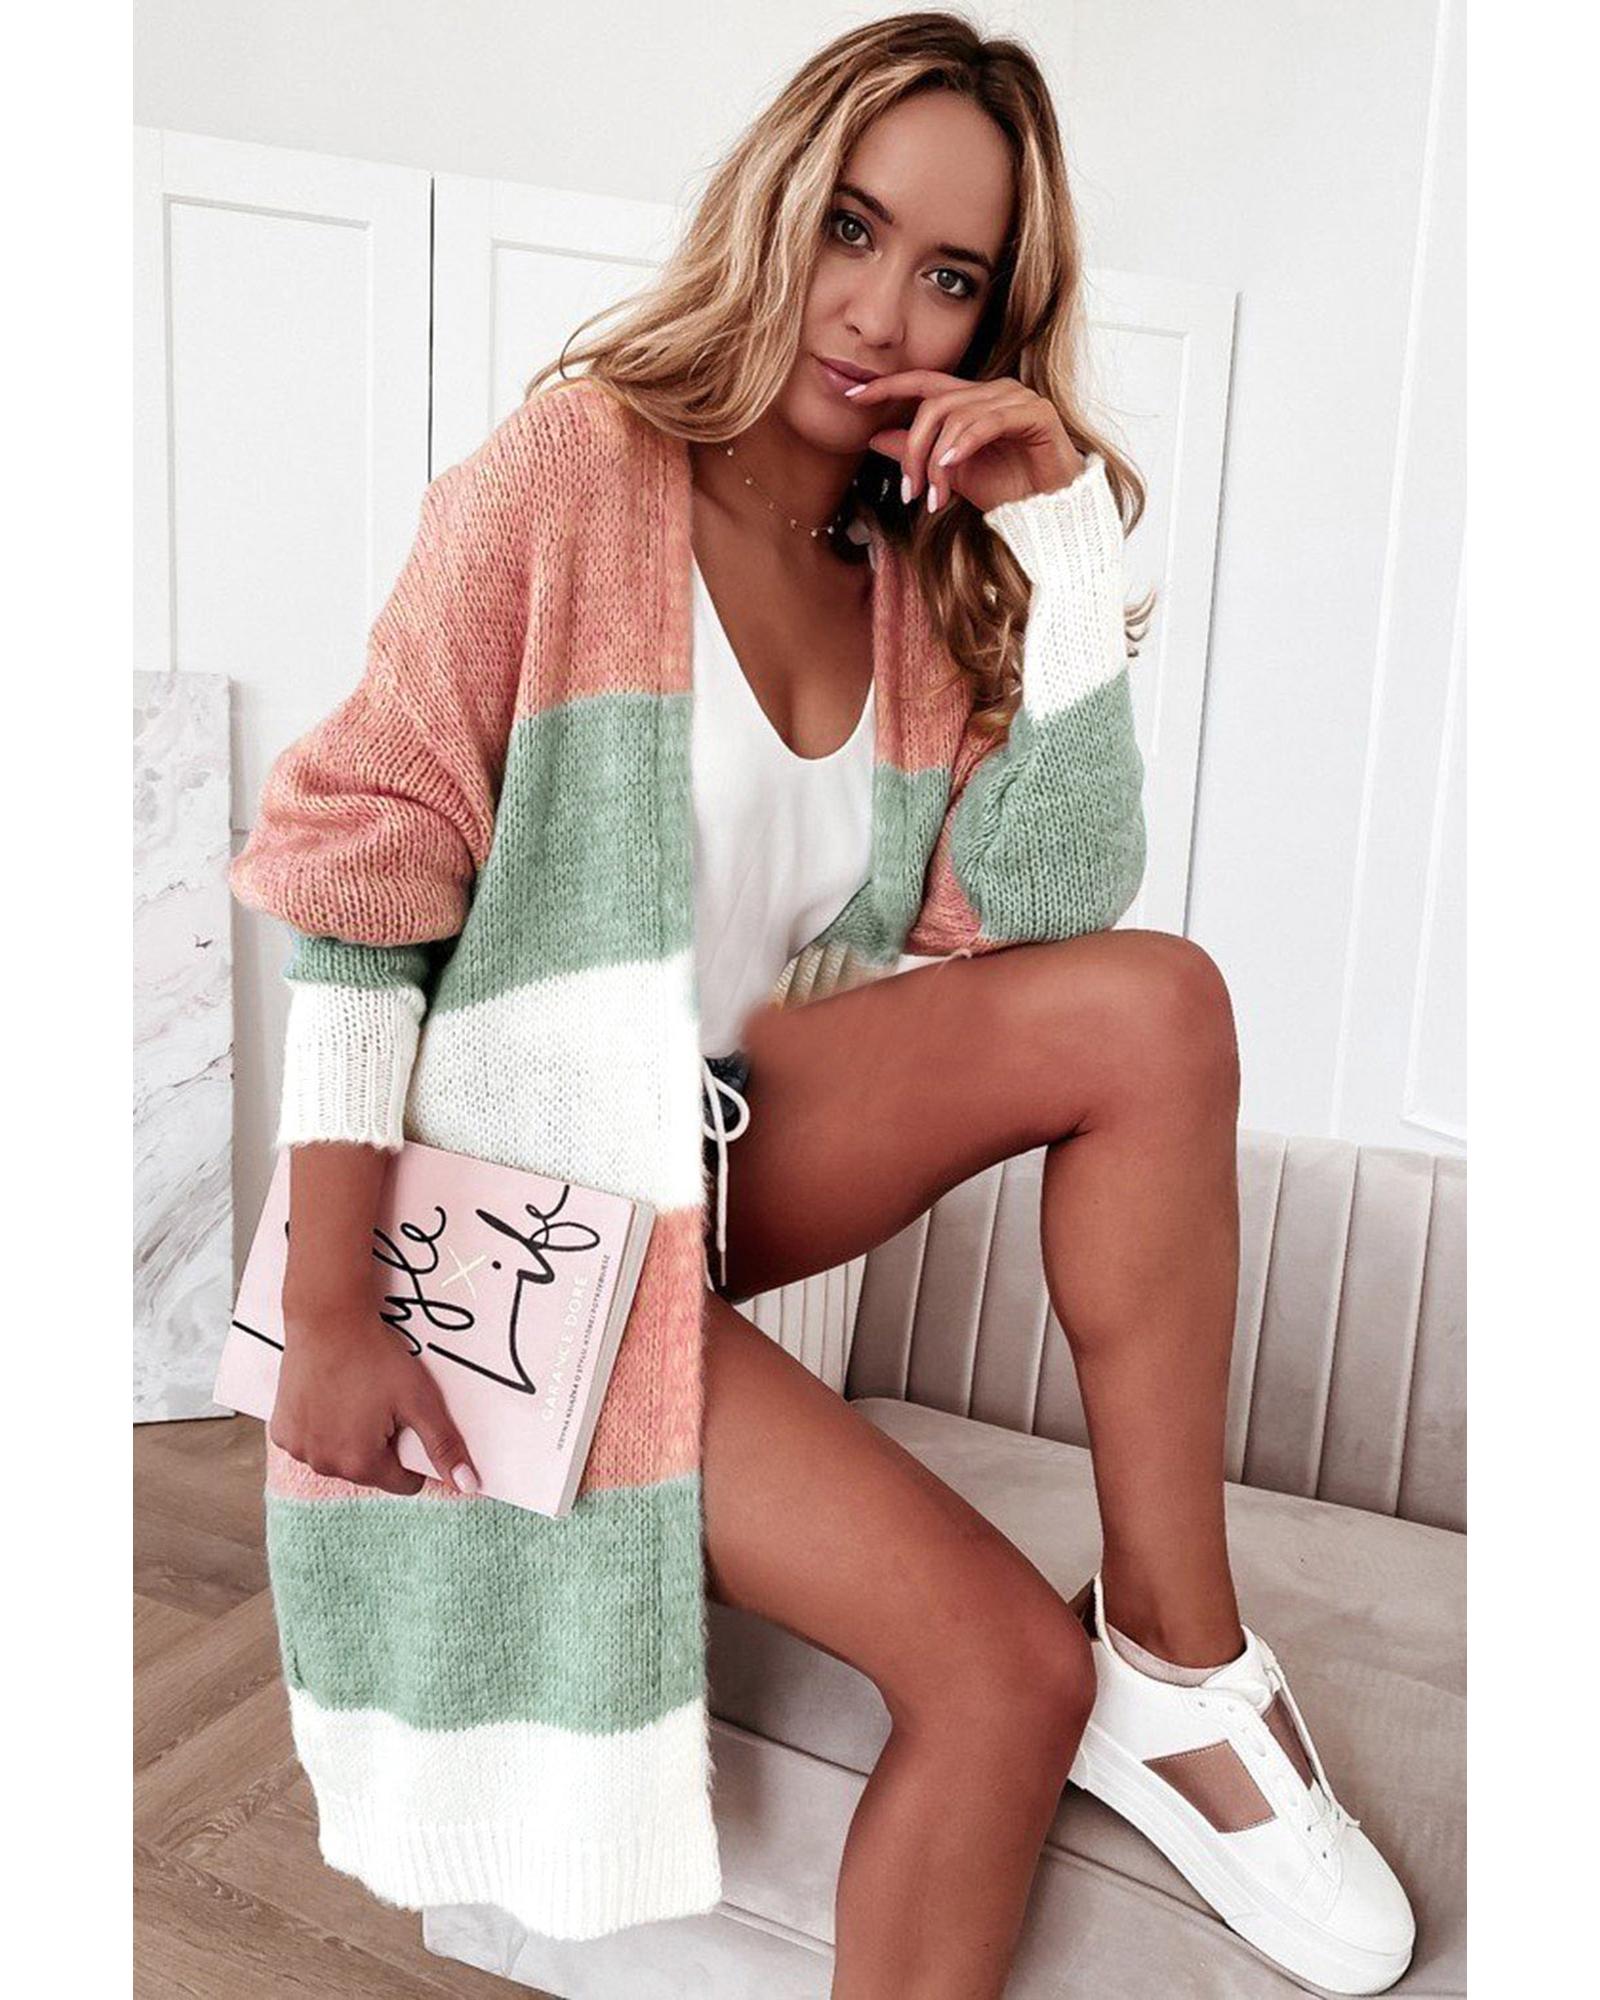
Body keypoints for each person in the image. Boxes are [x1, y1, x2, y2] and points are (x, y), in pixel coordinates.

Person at [231, 14, 1414, 1998]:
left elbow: (1044, 910)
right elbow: (368, 876)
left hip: (711, 1148)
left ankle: (1181, 1656)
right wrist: (335, 1310)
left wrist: (1057, 535)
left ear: (990, 321)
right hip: (525, 1209)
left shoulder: (905, 574)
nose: (878, 309)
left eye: (948, 274)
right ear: (780, 202)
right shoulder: (574, 470)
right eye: (853, 228)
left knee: (1154, 1008)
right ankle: (1096, 1671)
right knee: (1000, 1668)